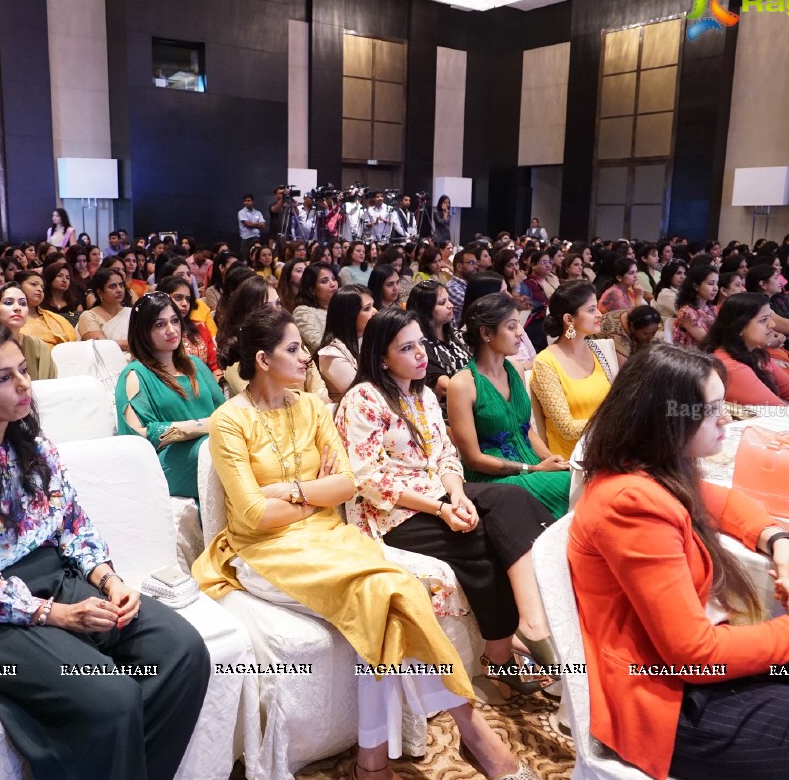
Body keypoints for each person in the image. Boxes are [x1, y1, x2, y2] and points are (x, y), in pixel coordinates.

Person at [196, 306, 530, 780]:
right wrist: (313, 493)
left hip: (326, 535)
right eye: (294, 349)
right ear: (263, 359)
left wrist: (287, 492)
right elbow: (254, 515)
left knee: (396, 594)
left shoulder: (311, 406)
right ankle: (471, 728)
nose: (306, 357)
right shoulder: (229, 421)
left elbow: (349, 484)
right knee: (388, 594)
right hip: (263, 550)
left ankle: (371, 762)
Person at [570, 343, 789, 780]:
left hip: (705, 666)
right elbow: (693, 657)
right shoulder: (630, 502)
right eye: (712, 408)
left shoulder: (654, 470)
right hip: (671, 700)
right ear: (666, 418)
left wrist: (778, 538)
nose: (726, 418)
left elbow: (723, 501)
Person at [0, 324, 210, 780]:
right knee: (111, 696)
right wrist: (57, 615)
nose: (23, 384)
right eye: (2, 378)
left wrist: (110, 580)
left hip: (58, 580)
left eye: (22, 371)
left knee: (183, 651)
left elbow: (73, 524)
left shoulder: (33, 445)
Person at [336, 307, 560, 695]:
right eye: (407, 348)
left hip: (437, 492)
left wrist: (457, 494)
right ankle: (500, 657)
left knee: (513, 501)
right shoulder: (363, 399)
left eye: (420, 343)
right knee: (486, 542)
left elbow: (445, 456)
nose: (421, 354)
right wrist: (441, 508)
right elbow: (368, 479)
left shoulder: (421, 394)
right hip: (390, 515)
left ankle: (530, 622)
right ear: (381, 357)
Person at [446, 294, 571, 520]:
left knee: (580, 476)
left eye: (519, 325)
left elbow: (525, 428)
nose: (521, 333)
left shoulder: (515, 369)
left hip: (530, 467)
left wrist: (551, 459)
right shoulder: (463, 384)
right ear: (486, 333)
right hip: (493, 477)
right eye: (511, 326)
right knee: (572, 486)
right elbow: (473, 458)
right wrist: (533, 469)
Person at [115, 292, 224, 499]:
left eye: (175, 321)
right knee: (214, 447)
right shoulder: (134, 375)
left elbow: (224, 410)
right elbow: (136, 435)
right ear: (142, 331)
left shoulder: (195, 365)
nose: (171, 330)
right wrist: (205, 426)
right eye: (159, 325)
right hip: (171, 461)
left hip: (213, 445)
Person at [702, 293, 789, 407]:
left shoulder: (756, 354)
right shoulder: (731, 367)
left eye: (770, 318)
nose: (772, 324)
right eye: (763, 320)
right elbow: (780, 410)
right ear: (739, 327)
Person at [530, 281, 612, 460]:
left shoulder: (597, 350)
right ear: (569, 319)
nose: (599, 315)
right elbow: (566, 428)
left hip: (607, 446)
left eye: (596, 308)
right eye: (591, 310)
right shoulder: (546, 363)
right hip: (574, 459)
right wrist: (614, 422)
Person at [406, 279, 471, 408]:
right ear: (425, 310)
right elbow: (444, 387)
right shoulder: (421, 346)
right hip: (449, 409)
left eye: (448, 299)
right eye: (442, 303)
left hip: (472, 398)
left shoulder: (458, 335)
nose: (450, 305)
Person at [0, 282, 58, 380]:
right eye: (8, 303)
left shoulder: (38, 347)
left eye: (23, 303)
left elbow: (47, 387)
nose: (18, 308)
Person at [316, 285, 374, 402]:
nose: (375, 312)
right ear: (349, 315)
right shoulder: (331, 354)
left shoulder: (368, 338)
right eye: (367, 309)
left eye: (373, 306)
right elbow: (360, 396)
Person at [157, 275, 219, 378]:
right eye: (178, 298)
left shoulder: (200, 327)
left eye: (188, 299)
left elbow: (215, 365)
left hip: (205, 385)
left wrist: (215, 381)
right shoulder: (155, 332)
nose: (185, 303)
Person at [16, 270, 78, 347]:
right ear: (18, 287)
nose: (40, 289)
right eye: (34, 284)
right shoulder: (12, 319)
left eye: (42, 287)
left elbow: (72, 341)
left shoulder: (54, 318)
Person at [78, 268, 132, 352]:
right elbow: (101, 346)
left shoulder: (131, 313)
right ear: (99, 292)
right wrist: (133, 345)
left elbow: (148, 342)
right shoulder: (89, 316)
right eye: (112, 286)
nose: (119, 290)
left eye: (121, 285)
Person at [291, 262, 338, 353]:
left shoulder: (340, 307)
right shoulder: (303, 312)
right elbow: (319, 344)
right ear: (312, 289)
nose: (333, 284)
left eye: (333, 279)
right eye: (325, 281)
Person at [672, 264, 719, 348]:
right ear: (696, 286)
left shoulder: (710, 309)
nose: (716, 288)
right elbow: (707, 342)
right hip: (691, 357)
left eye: (717, 283)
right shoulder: (687, 312)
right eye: (711, 284)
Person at [40, 261, 83, 330]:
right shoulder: (41, 303)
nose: (64, 280)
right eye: (59, 276)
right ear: (50, 277)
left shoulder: (75, 304)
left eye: (67, 278)